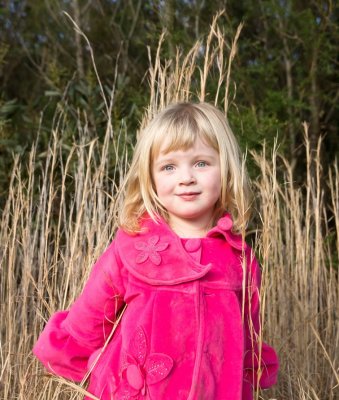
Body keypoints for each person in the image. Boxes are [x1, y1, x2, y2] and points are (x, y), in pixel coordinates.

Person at [33, 102, 279, 400]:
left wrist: (251, 372)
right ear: (150, 178)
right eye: (169, 167)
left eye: (201, 163)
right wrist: (76, 361)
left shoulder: (238, 259)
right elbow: (90, 316)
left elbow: (248, 331)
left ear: (225, 168)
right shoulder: (133, 247)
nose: (186, 177)